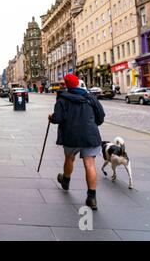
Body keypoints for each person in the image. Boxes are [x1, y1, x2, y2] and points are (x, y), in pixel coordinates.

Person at [49, 74, 105, 210]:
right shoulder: (90, 98)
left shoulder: (62, 99)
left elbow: (58, 118)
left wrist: (51, 118)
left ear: (67, 86)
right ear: (78, 84)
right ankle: (92, 198)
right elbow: (101, 116)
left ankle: (66, 181)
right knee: (90, 164)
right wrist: (92, 124)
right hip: (90, 135)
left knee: (69, 158)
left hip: (71, 135)